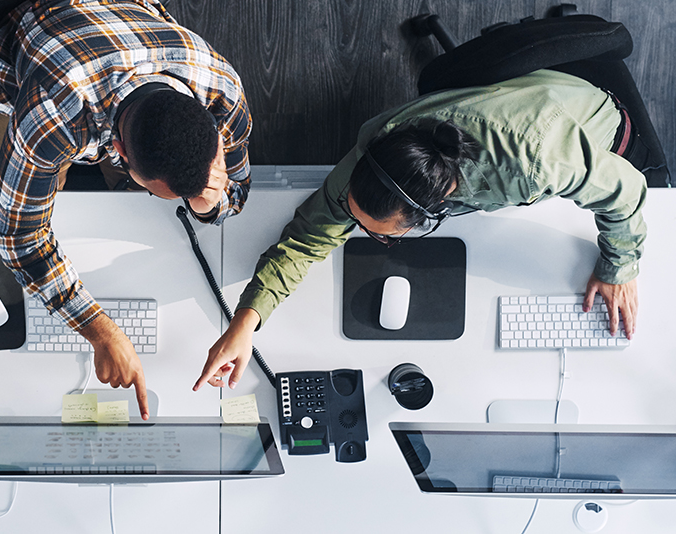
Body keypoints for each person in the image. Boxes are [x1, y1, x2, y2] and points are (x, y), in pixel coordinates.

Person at [194, 69, 647, 391]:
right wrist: (245, 323)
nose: (360, 231)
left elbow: (625, 191)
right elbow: (310, 238)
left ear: (430, 215)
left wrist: (618, 267)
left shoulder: (534, 165)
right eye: (356, 218)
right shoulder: (375, 156)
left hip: (600, 126)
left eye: (380, 234)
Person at [0, 0, 252, 419]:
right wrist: (102, 333)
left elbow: (234, 194)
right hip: (31, 38)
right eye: (156, 190)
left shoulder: (221, 92)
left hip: (125, 18)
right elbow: (18, 233)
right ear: (120, 155)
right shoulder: (51, 112)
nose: (173, 199)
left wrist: (206, 202)